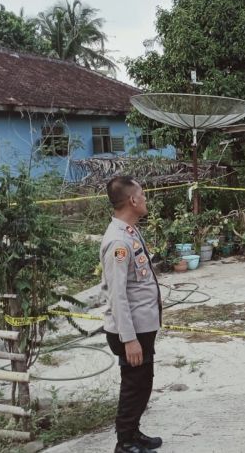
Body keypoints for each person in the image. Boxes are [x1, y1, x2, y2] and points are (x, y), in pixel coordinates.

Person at [101, 176, 163, 453]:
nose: (146, 199)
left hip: (142, 325)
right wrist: (129, 339)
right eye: (143, 194)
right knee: (133, 386)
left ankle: (133, 433)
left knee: (142, 384)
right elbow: (117, 295)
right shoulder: (118, 242)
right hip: (131, 331)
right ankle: (124, 442)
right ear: (133, 201)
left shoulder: (129, 231)